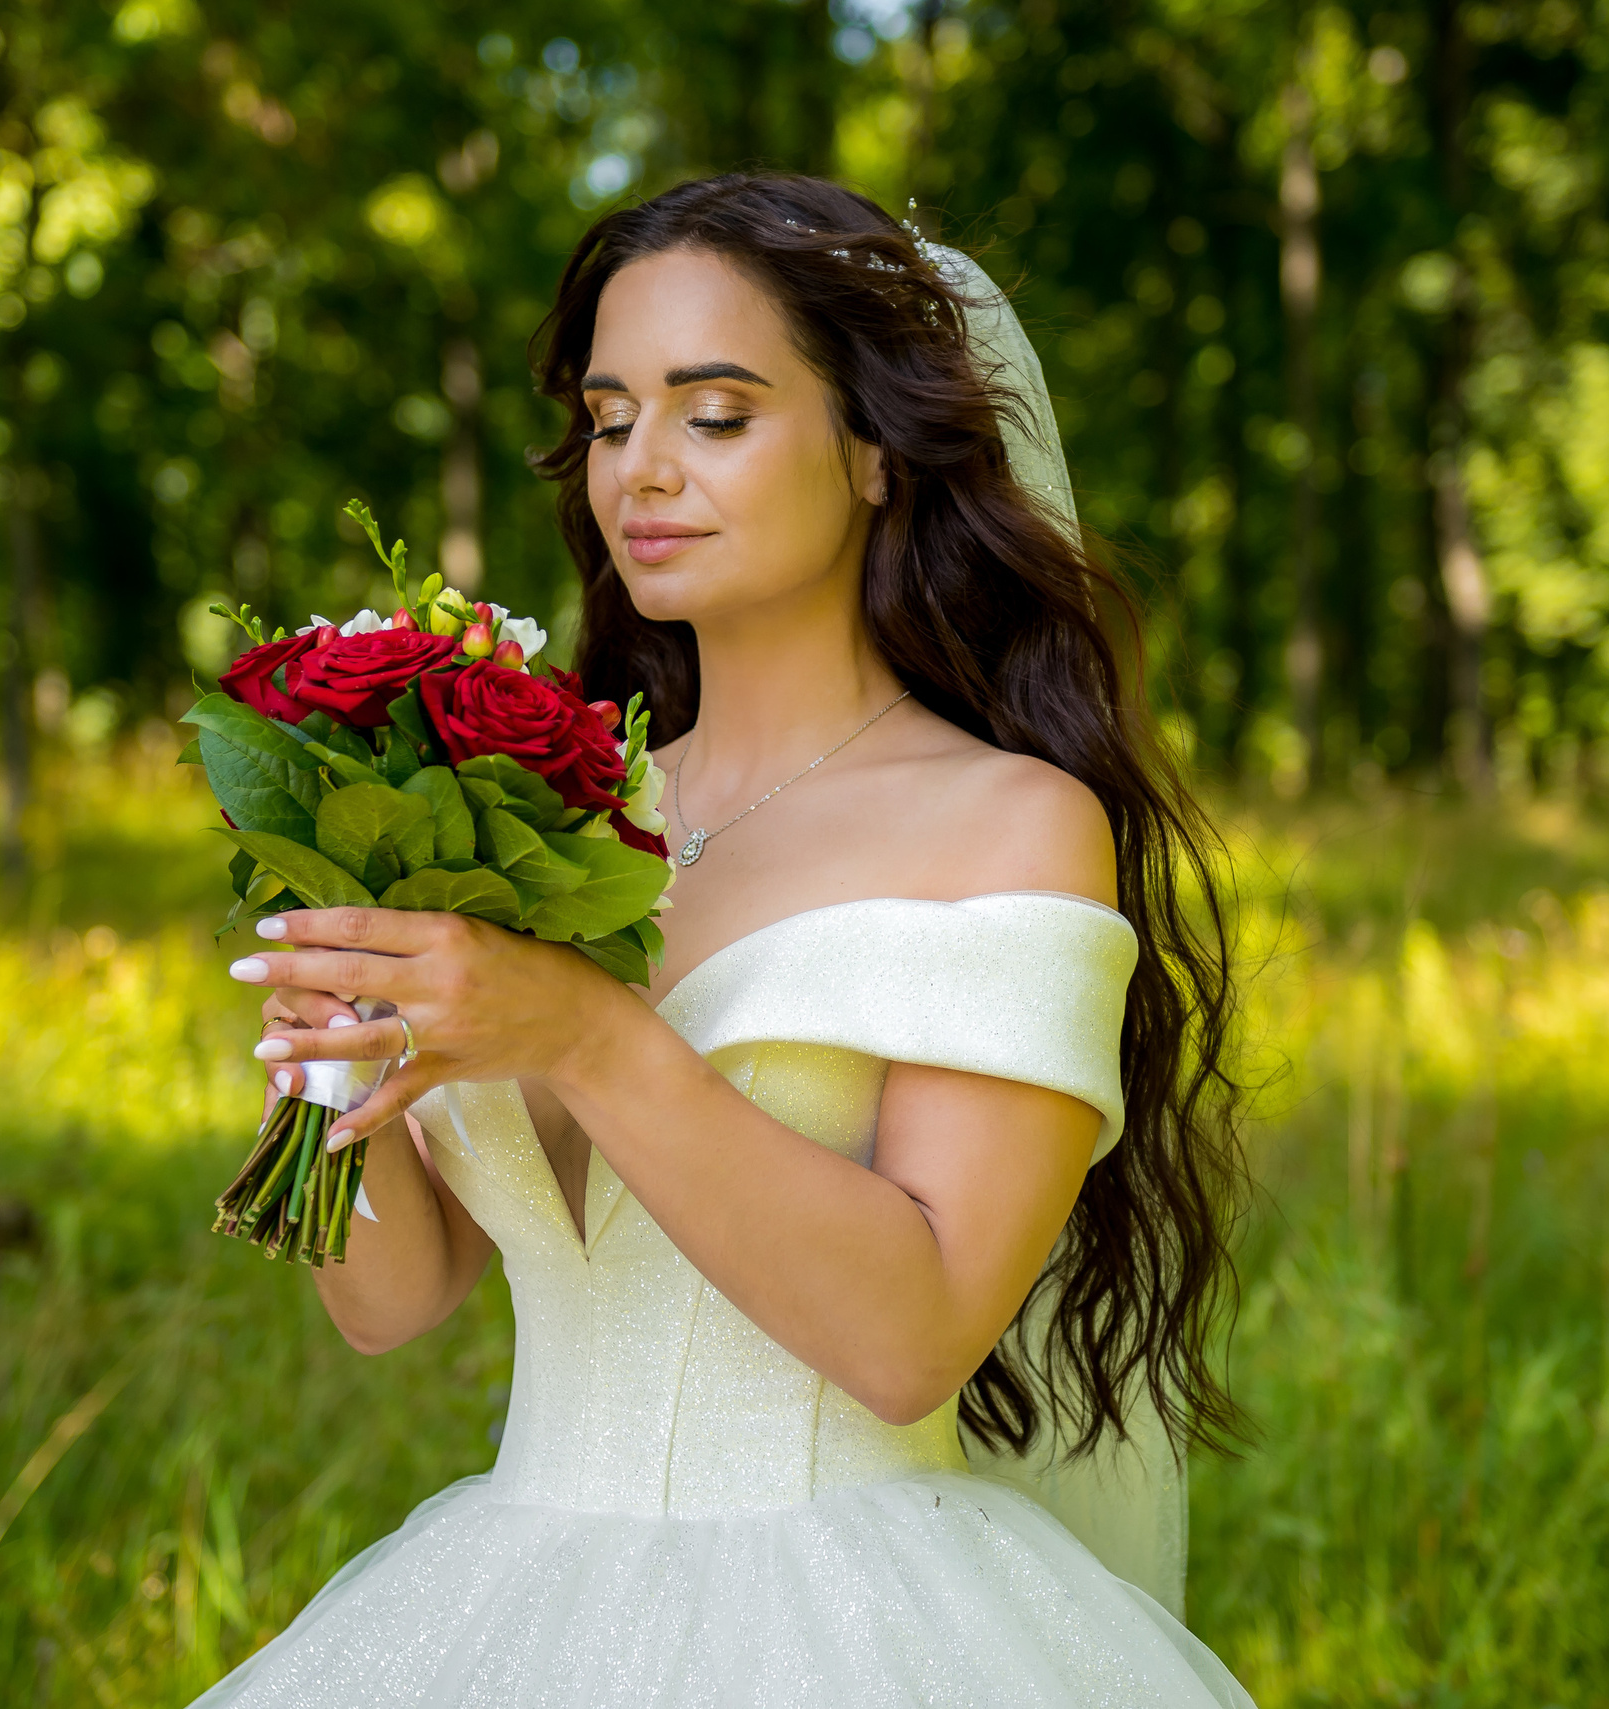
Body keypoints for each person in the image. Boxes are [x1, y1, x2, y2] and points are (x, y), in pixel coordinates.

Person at [206, 172, 1251, 1706]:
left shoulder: (1006, 822)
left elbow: (912, 1339)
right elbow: (391, 1302)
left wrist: (577, 1029)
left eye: (717, 413)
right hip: (503, 1599)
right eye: (613, 417)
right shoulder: (551, 815)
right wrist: (328, 1050)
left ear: (877, 449)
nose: (644, 469)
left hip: (853, 1616)